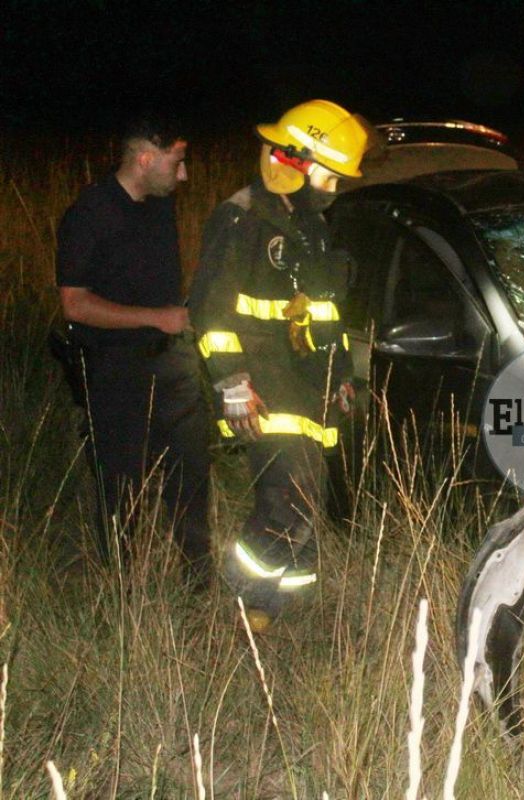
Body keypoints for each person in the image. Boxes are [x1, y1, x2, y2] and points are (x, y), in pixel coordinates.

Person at [190, 100, 368, 632]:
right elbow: (210, 310)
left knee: (307, 497)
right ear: (294, 160)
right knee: (285, 496)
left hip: (308, 383)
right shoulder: (242, 217)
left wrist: (340, 377)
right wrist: (233, 382)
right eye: (329, 178)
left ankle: (287, 611)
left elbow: (324, 310)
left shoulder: (309, 224)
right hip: (263, 383)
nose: (332, 191)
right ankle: (248, 606)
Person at [55, 115, 212, 582]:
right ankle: (123, 595)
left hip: (172, 362)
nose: (183, 175)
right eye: (177, 163)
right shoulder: (90, 213)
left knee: (191, 478)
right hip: (114, 370)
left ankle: (198, 583)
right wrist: (154, 317)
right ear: (145, 158)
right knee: (122, 488)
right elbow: (75, 304)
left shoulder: (160, 205)